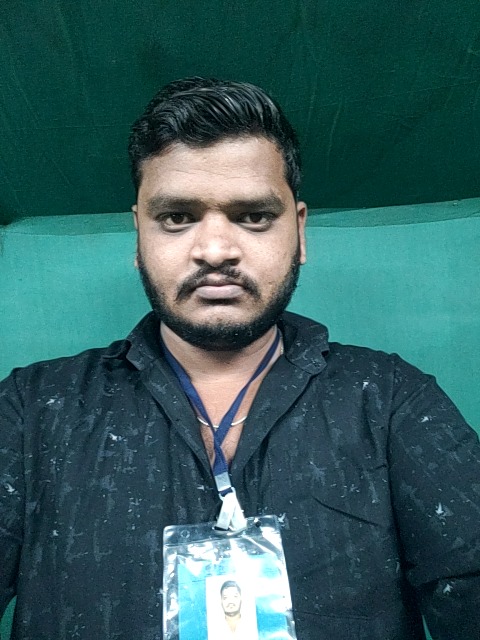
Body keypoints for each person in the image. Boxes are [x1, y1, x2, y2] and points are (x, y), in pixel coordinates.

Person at [0, 77, 479, 640]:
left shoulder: (393, 400)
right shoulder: (32, 410)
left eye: (252, 216)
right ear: (138, 235)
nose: (215, 250)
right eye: (176, 217)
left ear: (299, 231)